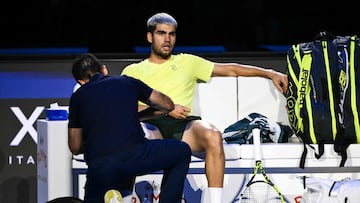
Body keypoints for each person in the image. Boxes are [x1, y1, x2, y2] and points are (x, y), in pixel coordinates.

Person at [121, 12, 288, 203]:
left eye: (172, 34)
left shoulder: (188, 62)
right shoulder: (132, 71)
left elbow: (231, 69)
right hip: (152, 126)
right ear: (150, 37)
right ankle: (125, 199)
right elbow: (128, 112)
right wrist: (166, 109)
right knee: (129, 136)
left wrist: (270, 73)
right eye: (161, 33)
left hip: (183, 127)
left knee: (213, 134)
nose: (167, 39)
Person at [68, 53, 192, 203]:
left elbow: (74, 147)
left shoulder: (77, 97)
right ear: (104, 70)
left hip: (101, 168)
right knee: (181, 151)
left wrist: (95, 140)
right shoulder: (127, 82)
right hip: (137, 156)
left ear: (80, 81)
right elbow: (167, 105)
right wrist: (139, 116)